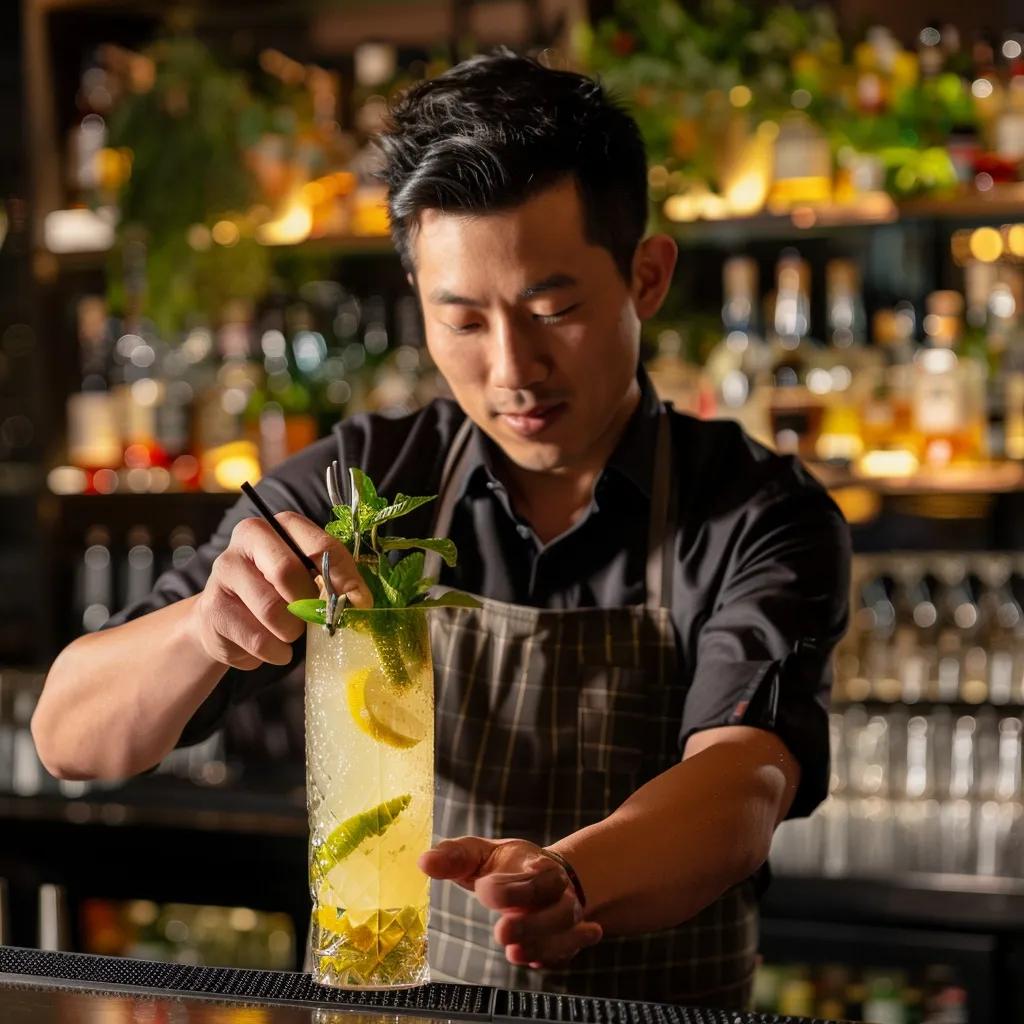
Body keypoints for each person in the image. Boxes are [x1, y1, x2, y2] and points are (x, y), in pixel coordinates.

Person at [33, 52, 849, 1006]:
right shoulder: (367, 484)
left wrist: (572, 878)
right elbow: (70, 738)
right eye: (462, 321)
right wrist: (205, 629)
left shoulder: (758, 510)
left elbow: (745, 782)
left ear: (648, 276)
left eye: (555, 309)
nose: (513, 369)